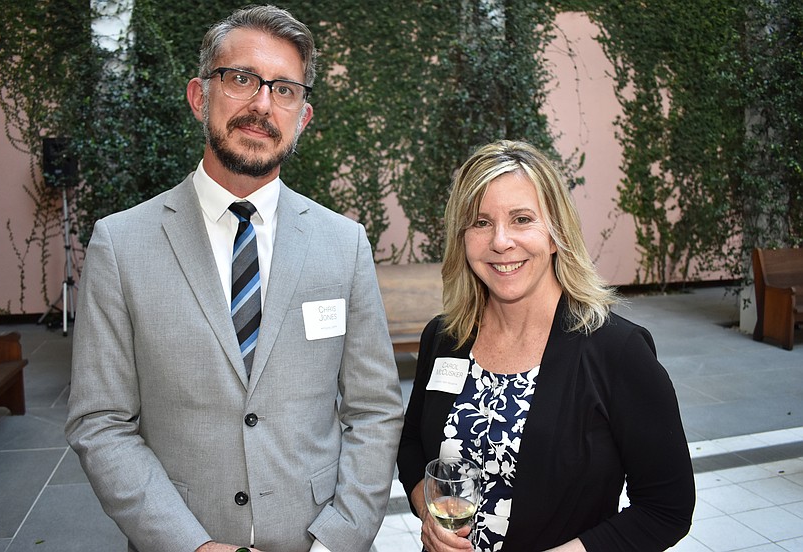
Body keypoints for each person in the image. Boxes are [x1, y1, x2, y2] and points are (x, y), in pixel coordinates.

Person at [65, 5, 403, 552]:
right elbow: (101, 422)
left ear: (303, 116)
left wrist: (337, 540)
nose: (262, 105)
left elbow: (375, 410)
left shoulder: (344, 245)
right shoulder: (121, 245)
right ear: (201, 96)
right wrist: (188, 545)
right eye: (242, 79)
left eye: (284, 89)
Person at [397, 140, 695, 552]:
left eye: (521, 219)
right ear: (462, 238)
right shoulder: (445, 338)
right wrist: (430, 511)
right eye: (481, 223)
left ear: (555, 234)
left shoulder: (617, 351)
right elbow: (412, 443)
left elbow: (667, 509)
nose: (500, 241)